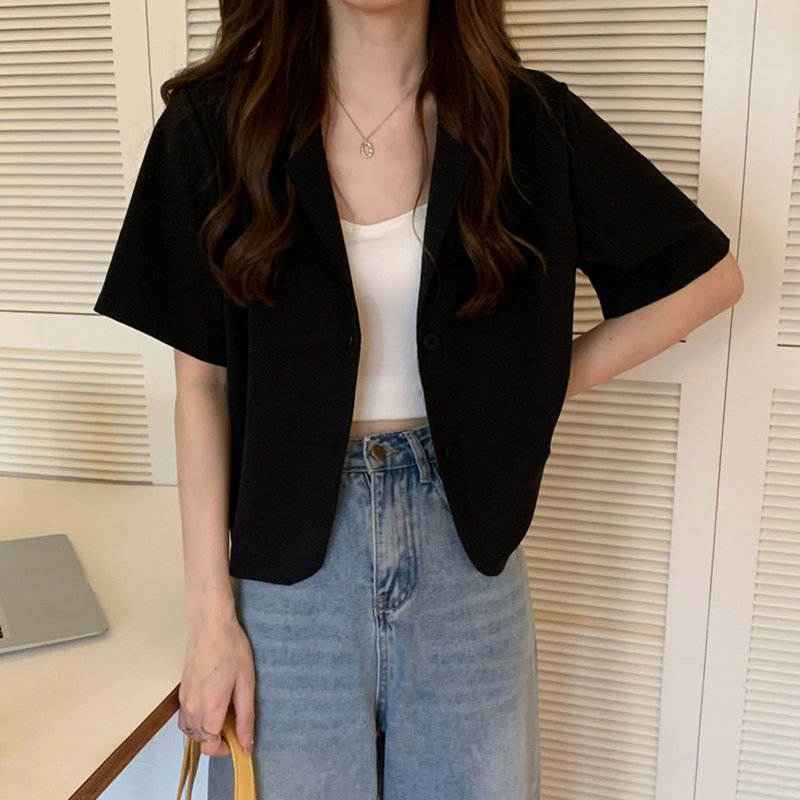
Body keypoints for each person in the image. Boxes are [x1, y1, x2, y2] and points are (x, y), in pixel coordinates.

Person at [93, 1, 744, 798]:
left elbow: (708, 278)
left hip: (465, 563)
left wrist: (532, 384)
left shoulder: (526, 125)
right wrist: (209, 620)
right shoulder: (215, 126)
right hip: (287, 580)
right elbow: (200, 385)